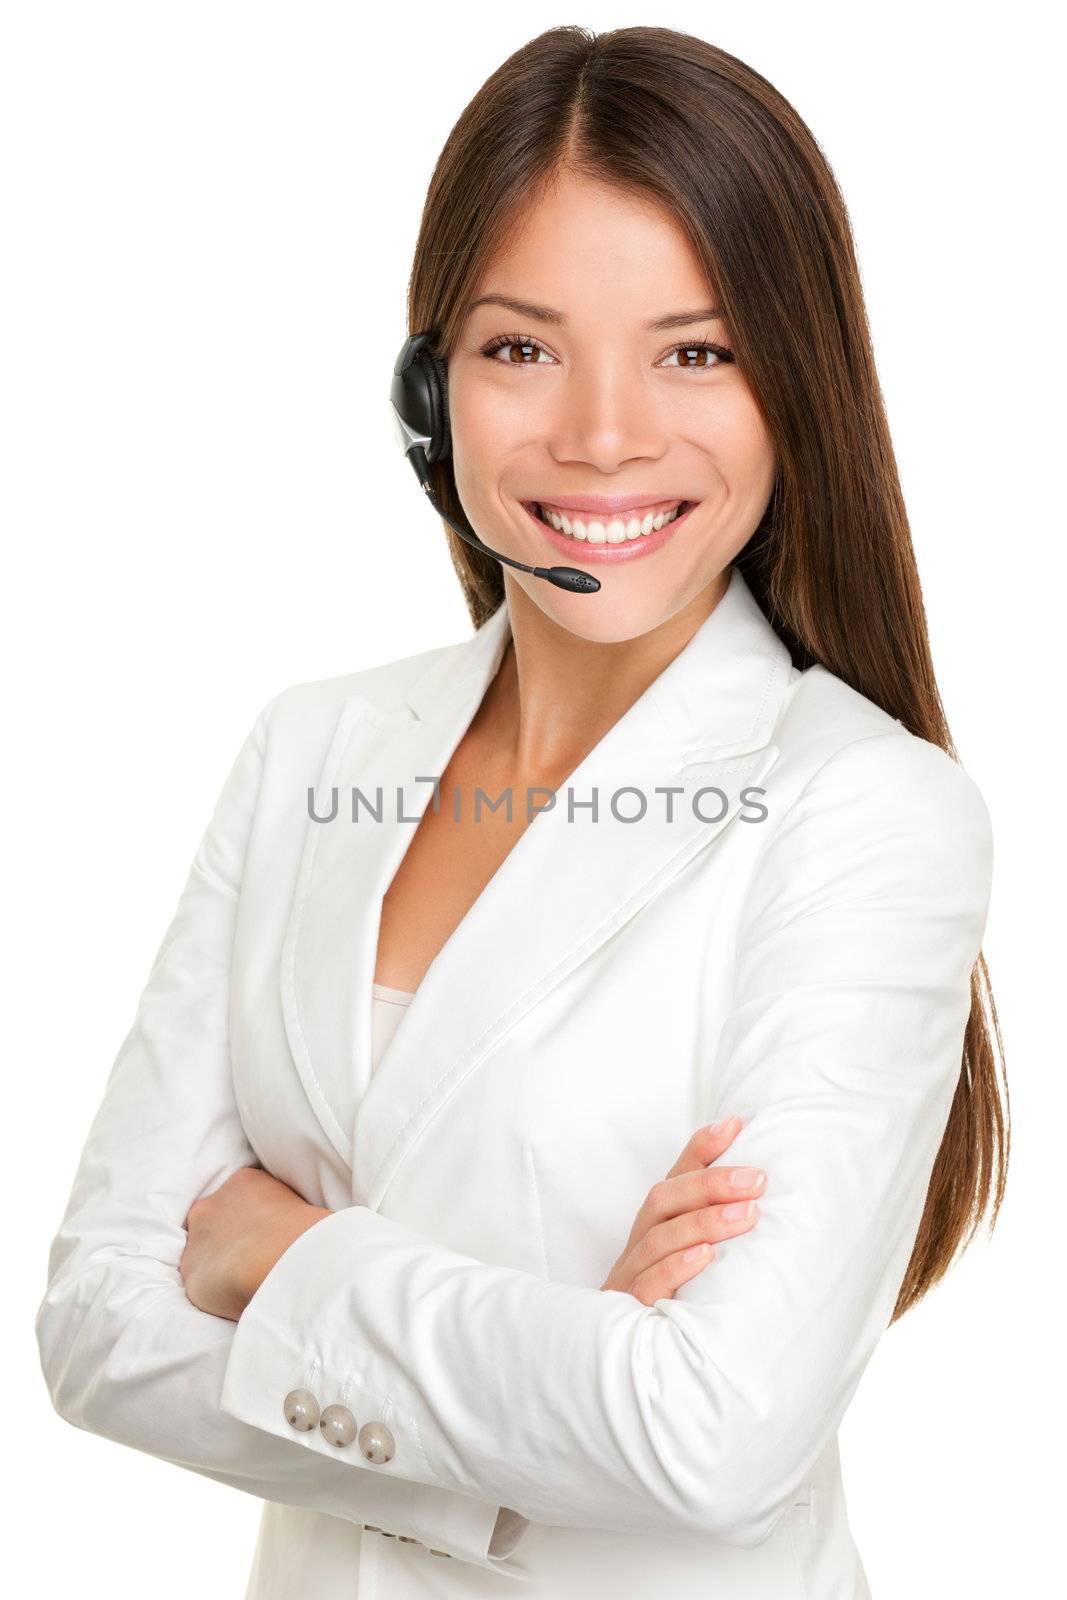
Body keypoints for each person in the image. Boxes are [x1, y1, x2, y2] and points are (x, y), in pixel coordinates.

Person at [35, 24, 1008, 1600]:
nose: (605, 433)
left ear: (792, 387)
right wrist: (558, 1377)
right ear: (431, 387)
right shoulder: (312, 747)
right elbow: (92, 1322)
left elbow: (706, 1431)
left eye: (696, 351)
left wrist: (283, 1258)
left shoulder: (870, 814)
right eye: (521, 348)